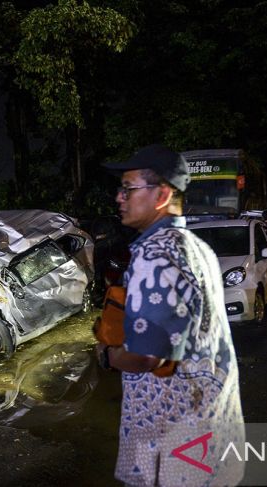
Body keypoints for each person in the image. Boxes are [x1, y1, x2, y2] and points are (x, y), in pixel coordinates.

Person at [99, 144, 245, 486]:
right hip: (211, 429)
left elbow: (146, 355)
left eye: (128, 188)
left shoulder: (154, 254)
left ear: (162, 194)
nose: (119, 198)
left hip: (173, 442)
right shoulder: (198, 248)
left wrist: (108, 356)